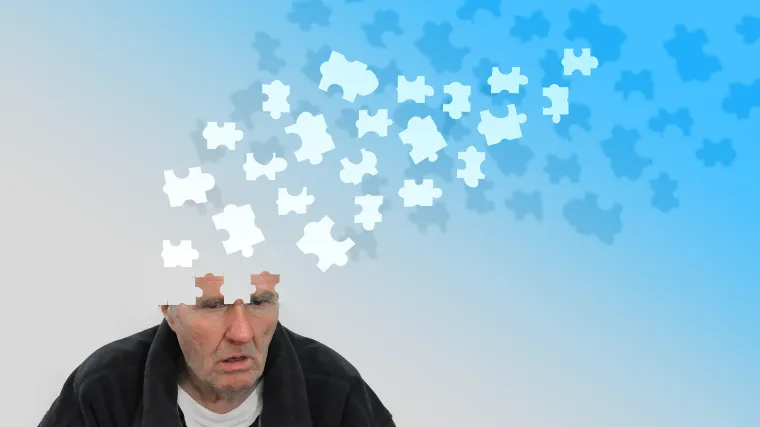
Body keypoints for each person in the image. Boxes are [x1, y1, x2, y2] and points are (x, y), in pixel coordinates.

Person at [39, 272, 395, 427]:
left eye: (259, 303)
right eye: (213, 306)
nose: (242, 332)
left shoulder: (335, 390)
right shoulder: (105, 388)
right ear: (169, 310)